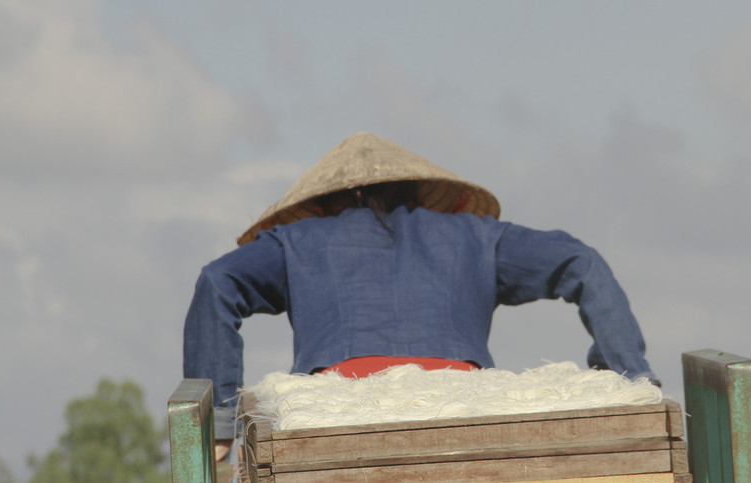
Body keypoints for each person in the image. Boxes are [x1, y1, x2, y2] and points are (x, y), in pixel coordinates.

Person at [183, 132, 654, 460]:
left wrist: (221, 424)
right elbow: (582, 262)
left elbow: (217, 282)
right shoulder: (474, 235)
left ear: (325, 205)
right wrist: (629, 377)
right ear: (419, 194)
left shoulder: (301, 239)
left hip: (328, 424)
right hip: (466, 418)